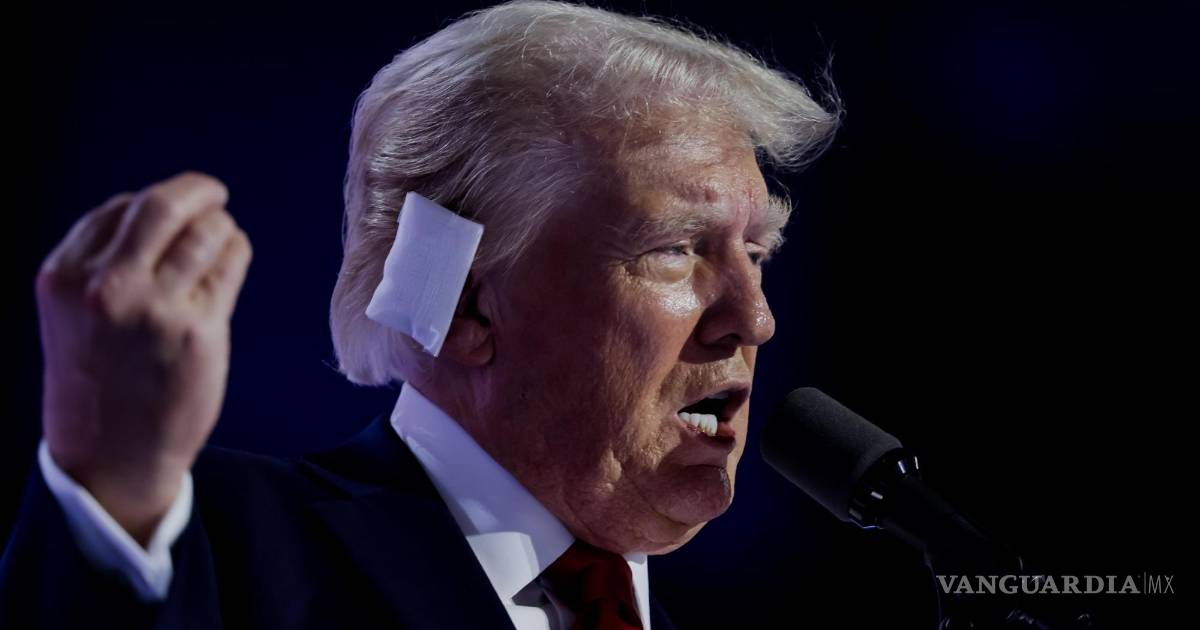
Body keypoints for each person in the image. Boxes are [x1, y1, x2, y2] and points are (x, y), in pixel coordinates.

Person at [0, 1, 839, 628]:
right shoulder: (227, 556)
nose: (754, 318)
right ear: (470, 300)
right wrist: (114, 480)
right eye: (676, 248)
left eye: (756, 252)